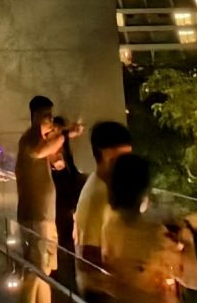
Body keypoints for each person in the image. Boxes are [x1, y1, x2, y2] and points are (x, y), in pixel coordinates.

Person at [100, 153, 196, 303]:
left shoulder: (109, 224)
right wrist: (188, 240)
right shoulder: (153, 235)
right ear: (144, 191)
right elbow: (191, 280)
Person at [15, 96, 83, 303]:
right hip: (35, 216)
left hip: (45, 216)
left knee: (44, 271)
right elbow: (39, 151)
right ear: (35, 116)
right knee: (34, 271)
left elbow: (56, 160)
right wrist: (63, 135)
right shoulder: (29, 139)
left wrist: (63, 139)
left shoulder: (41, 140)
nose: (50, 120)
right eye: (47, 116)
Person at [74, 121, 132, 301]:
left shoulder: (108, 187)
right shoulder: (96, 197)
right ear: (107, 156)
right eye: (123, 159)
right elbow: (89, 260)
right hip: (103, 294)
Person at [50, 116, 86, 281]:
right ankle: (62, 275)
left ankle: (69, 272)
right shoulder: (49, 146)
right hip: (60, 198)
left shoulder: (62, 145)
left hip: (70, 197)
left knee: (70, 235)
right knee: (63, 236)